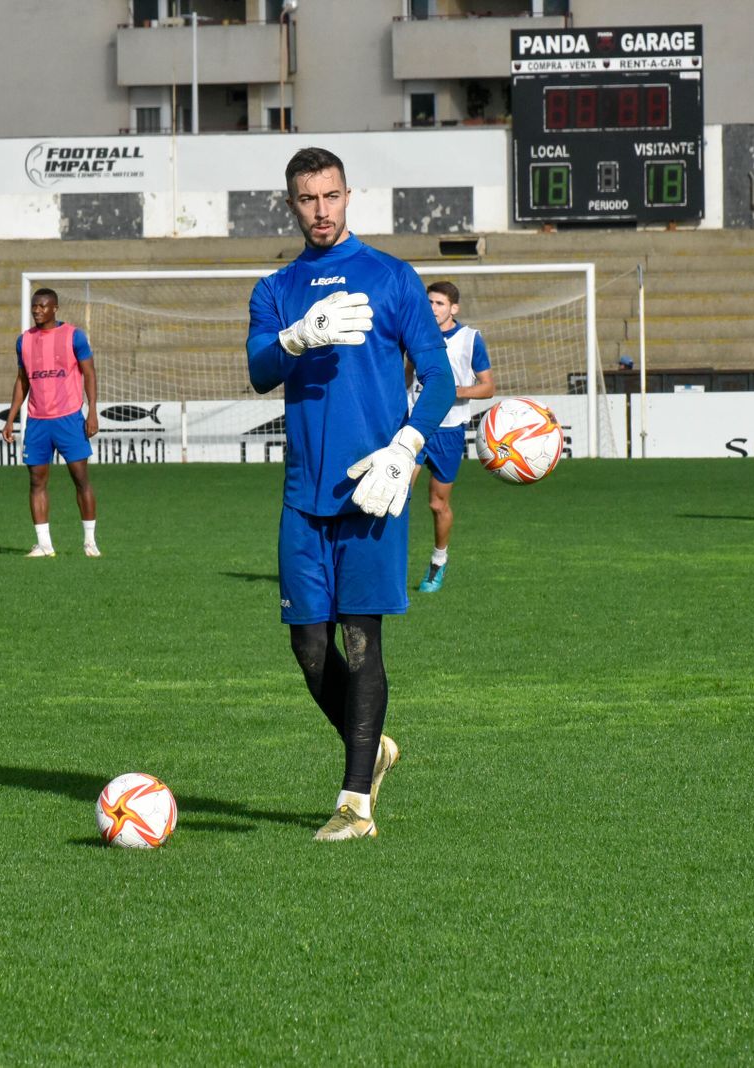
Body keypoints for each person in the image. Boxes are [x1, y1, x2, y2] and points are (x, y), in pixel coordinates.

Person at [246, 146, 456, 841]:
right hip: (304, 494)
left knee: (362, 641)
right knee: (308, 647)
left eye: (330, 196)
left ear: (347, 195)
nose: (321, 210)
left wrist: (406, 446)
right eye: (307, 199)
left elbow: (440, 379)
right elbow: (257, 370)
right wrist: (298, 336)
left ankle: (355, 804)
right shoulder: (275, 289)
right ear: (291, 204)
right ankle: (374, 751)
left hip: (374, 490)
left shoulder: (392, 278)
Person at [406, 281, 494, 593]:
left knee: (437, 503)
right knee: (398, 494)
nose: (432, 308)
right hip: (415, 427)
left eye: (439, 303)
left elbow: (487, 386)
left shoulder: (470, 339)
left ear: (453, 308)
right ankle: (384, 568)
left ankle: (438, 563)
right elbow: (407, 374)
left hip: (450, 430)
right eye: (429, 302)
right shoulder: (416, 333)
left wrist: (453, 391)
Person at [1, 287, 101, 557]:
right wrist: (11, 418)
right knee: (36, 481)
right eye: (34, 306)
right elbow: (22, 381)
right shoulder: (24, 341)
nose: (37, 310)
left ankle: (90, 541)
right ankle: (44, 544)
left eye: (43, 306)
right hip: (37, 421)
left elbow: (89, 373)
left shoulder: (74, 336)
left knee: (80, 479)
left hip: (69, 418)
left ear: (55, 308)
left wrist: (92, 411)